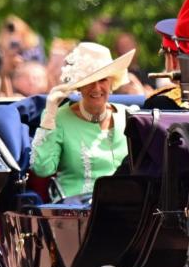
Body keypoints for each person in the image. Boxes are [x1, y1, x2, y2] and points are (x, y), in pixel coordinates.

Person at [31, 43, 133, 201]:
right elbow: (43, 169)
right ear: (79, 86)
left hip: (127, 208)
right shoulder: (58, 118)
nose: (97, 88)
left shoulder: (128, 116)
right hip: (76, 212)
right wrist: (50, 113)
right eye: (89, 81)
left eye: (103, 80)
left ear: (112, 83)